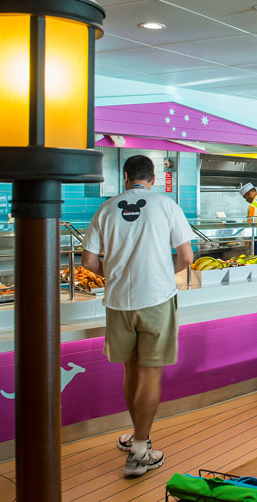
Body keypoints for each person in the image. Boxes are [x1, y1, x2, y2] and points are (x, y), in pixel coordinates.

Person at [81, 155, 194, 478]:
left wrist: (116, 273)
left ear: (125, 176)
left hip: (118, 302)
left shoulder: (107, 208)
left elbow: (88, 261)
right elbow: (186, 256)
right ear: (153, 177)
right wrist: (159, 272)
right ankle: (141, 449)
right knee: (151, 373)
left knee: (131, 371)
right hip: (156, 300)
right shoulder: (167, 205)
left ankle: (136, 436)